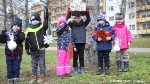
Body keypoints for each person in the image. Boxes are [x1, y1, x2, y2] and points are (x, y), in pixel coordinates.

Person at [25, 11, 49, 83]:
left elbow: (46, 23)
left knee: (41, 63)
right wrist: (27, 48)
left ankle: (42, 76)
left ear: (39, 20)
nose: (34, 21)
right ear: (31, 21)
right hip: (33, 50)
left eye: (36, 20)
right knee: (34, 64)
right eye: (33, 20)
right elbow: (27, 40)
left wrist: (46, 15)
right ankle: (33, 77)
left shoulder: (42, 26)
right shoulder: (28, 29)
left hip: (41, 49)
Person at [66, 7, 91, 74]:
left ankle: (82, 68)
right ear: (74, 19)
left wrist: (87, 12)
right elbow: (67, 20)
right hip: (74, 43)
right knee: (75, 57)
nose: (77, 19)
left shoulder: (83, 24)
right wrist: (68, 13)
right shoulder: (72, 24)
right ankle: (75, 68)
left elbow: (88, 20)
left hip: (82, 42)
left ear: (81, 18)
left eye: (79, 18)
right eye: (76, 18)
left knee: (81, 56)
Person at [0, 18, 25, 84]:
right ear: (12, 26)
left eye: (18, 26)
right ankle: (10, 79)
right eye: (15, 25)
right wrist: (2, 34)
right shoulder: (8, 34)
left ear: (20, 27)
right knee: (9, 67)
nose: (16, 27)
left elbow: (21, 39)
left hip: (17, 54)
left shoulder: (21, 33)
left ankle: (16, 78)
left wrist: (16, 34)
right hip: (8, 54)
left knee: (16, 67)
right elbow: (2, 40)